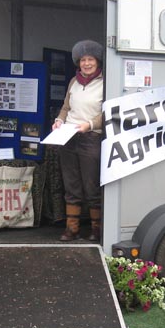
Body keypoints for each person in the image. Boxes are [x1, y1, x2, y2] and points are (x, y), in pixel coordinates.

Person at [52, 39, 104, 242]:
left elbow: (108, 113)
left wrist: (89, 125)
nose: (86, 64)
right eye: (83, 60)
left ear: (98, 61)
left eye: (90, 59)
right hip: (69, 136)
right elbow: (66, 107)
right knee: (71, 184)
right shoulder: (73, 82)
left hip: (91, 137)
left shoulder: (105, 83)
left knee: (91, 185)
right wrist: (59, 120)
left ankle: (97, 230)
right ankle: (71, 229)